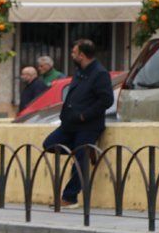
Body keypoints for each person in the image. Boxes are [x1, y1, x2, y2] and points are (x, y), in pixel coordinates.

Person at [41, 39, 114, 208]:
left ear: (82, 55)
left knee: (80, 160)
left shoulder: (99, 73)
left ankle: (70, 197)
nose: (72, 55)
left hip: (88, 125)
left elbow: (106, 100)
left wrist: (84, 116)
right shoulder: (80, 71)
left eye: (74, 52)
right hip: (70, 124)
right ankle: (83, 152)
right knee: (50, 144)